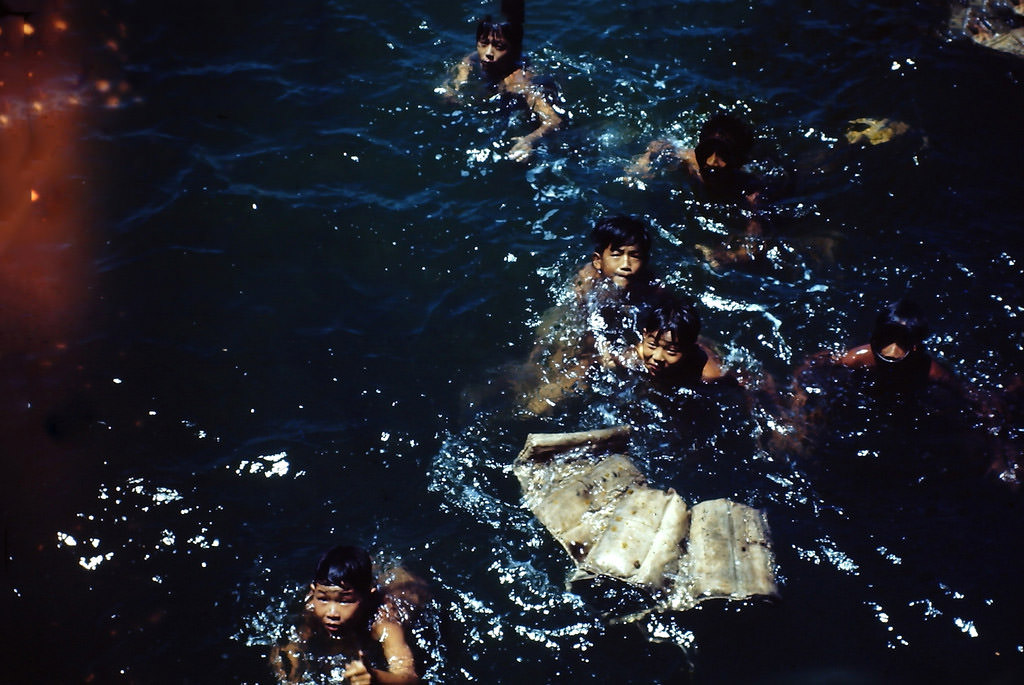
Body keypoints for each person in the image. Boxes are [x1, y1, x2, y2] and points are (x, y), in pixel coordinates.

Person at [270, 545, 423, 684]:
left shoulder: (384, 622)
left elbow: (410, 679)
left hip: (408, 590)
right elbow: (290, 646)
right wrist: (290, 671)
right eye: (323, 598)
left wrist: (375, 676)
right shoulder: (310, 606)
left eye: (345, 601)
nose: (332, 613)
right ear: (313, 591)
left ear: (368, 596)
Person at [438, 0, 564, 162]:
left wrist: (529, 140)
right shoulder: (475, 58)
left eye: (499, 46)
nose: (488, 53)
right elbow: (465, 64)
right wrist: (452, 88)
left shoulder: (520, 82)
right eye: (483, 44)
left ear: (513, 50)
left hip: (527, 118)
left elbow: (553, 120)